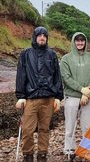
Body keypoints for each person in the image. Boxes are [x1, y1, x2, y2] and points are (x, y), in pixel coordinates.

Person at [15, 26, 63, 162]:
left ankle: (42, 155)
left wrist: (59, 97)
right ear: (35, 37)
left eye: (44, 35)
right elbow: (21, 75)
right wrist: (21, 96)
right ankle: (28, 155)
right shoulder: (26, 54)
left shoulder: (52, 54)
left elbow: (57, 77)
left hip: (48, 99)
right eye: (39, 35)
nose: (42, 37)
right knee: (27, 129)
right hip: (31, 98)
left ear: (47, 38)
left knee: (44, 129)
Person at [60, 32, 90, 159]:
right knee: (70, 125)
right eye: (77, 40)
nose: (80, 43)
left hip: (89, 97)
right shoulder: (66, 58)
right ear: (73, 42)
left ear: (85, 42)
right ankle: (69, 150)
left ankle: (87, 150)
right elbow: (66, 78)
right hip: (71, 97)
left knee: (88, 126)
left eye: (82, 40)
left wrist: (88, 93)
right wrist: (81, 89)